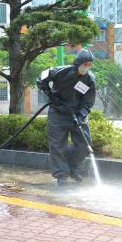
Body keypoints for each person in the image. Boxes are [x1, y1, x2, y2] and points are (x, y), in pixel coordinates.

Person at [37, 49, 96, 186]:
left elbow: (88, 102)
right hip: (58, 112)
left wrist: (80, 116)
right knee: (57, 145)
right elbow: (41, 77)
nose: (87, 67)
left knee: (84, 144)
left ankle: (73, 167)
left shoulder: (90, 79)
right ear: (78, 63)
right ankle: (61, 175)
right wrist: (50, 94)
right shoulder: (60, 71)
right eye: (85, 64)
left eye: (90, 65)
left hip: (77, 114)